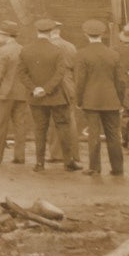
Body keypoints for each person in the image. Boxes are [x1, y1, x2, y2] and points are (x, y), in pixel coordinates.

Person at [17, 18, 82, 172]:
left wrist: (35, 89)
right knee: (63, 127)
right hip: (56, 96)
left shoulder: (26, 50)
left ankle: (39, 164)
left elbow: (21, 73)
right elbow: (60, 74)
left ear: (37, 31)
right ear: (51, 31)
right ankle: (68, 162)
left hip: (36, 97)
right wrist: (46, 89)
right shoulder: (57, 50)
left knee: (40, 129)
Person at [75, 18, 128, 175]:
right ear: (103, 34)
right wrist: (120, 101)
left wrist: (79, 101)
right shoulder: (114, 54)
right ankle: (118, 168)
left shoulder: (82, 54)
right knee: (113, 135)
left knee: (93, 134)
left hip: (91, 101)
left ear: (86, 34)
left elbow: (80, 81)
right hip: (111, 100)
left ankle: (94, 167)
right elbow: (121, 81)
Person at [0, 20, 30, 164]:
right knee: (20, 126)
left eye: (0, 35)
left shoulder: (3, 51)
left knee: (0, 126)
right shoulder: (24, 50)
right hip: (21, 93)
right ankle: (19, 157)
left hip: (3, 94)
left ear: (7, 35)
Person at [46, 20, 79, 162]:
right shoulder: (71, 46)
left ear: (49, 32)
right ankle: (74, 154)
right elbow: (76, 68)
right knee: (70, 119)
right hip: (69, 83)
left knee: (54, 120)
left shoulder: (49, 46)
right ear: (58, 31)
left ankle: (56, 154)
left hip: (54, 83)